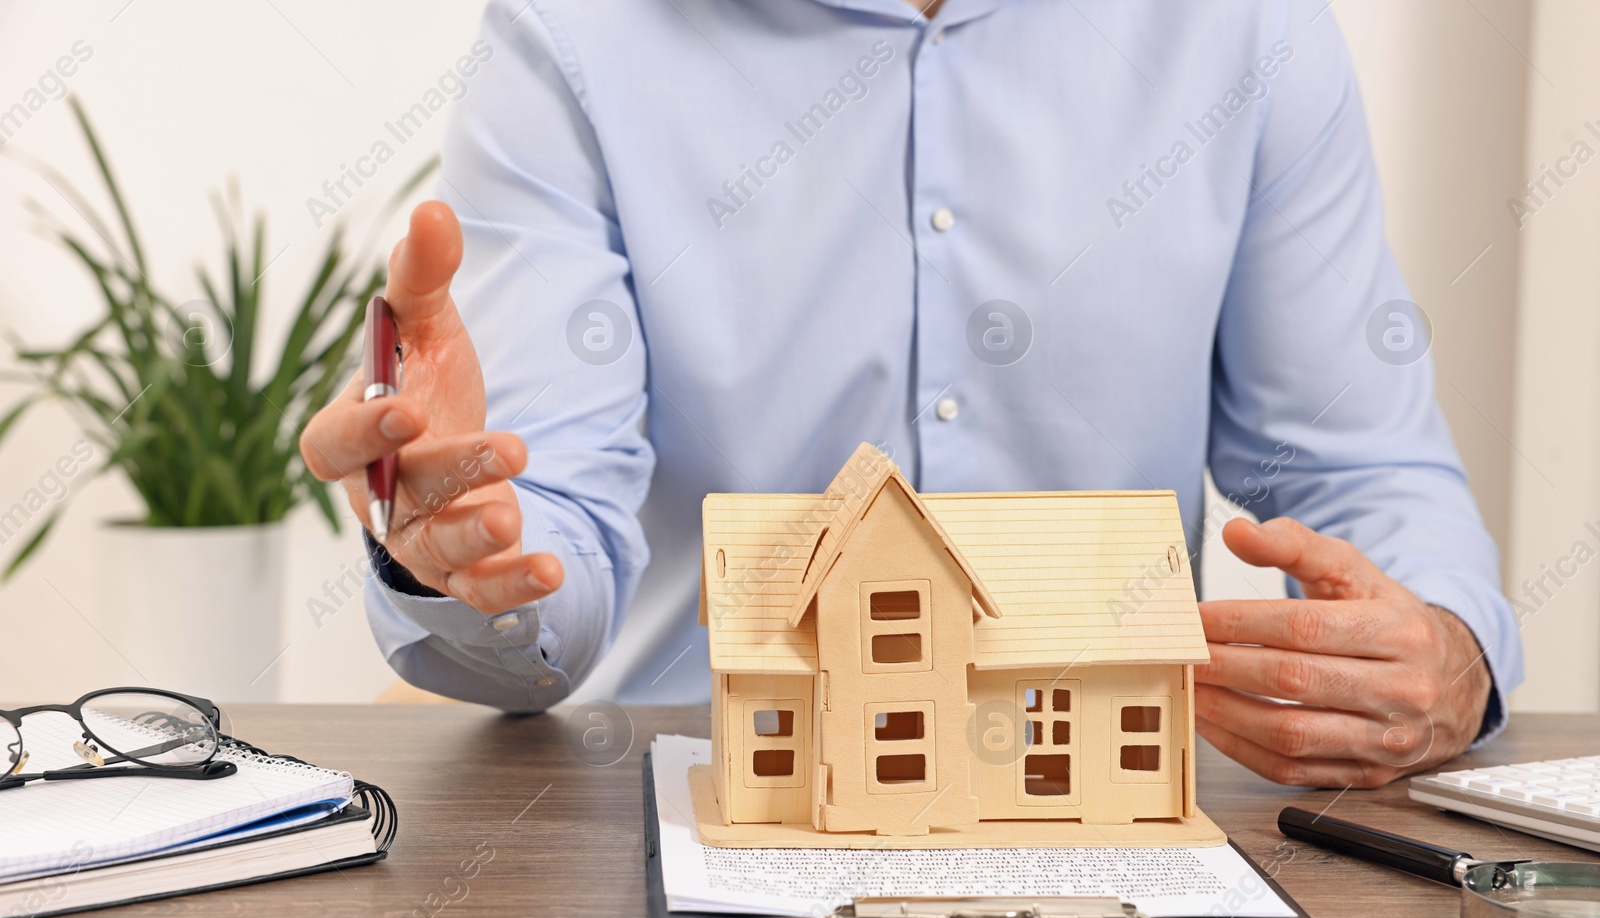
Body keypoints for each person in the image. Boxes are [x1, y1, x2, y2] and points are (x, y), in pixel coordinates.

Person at [300, 0, 1520, 789]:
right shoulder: (572, 36)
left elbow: (1363, 469)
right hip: (699, 833)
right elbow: (540, 586)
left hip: (1108, 831)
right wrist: (457, 551)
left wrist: (1452, 652)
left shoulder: (1248, 29)